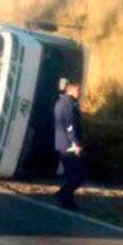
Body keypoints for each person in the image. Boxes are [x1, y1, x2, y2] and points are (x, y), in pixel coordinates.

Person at [53, 81, 85, 211]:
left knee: (71, 174)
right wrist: (76, 143)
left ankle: (67, 200)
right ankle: (62, 194)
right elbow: (69, 126)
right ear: (70, 90)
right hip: (69, 144)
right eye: (78, 90)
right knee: (79, 174)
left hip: (62, 143)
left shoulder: (61, 102)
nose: (80, 93)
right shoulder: (68, 104)